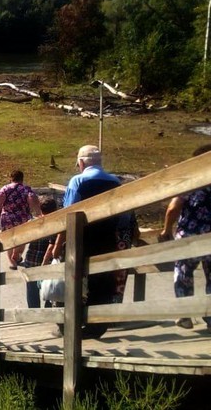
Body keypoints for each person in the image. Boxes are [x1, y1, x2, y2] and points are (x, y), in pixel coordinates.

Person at [43, 145, 136, 339]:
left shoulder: (78, 181)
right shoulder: (114, 181)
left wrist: (59, 243)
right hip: (107, 238)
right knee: (101, 281)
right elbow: (121, 214)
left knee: (71, 279)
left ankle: (66, 325)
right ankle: (96, 327)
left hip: (81, 239)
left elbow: (68, 214)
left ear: (82, 162)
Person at [159, 144, 211, 334]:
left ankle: (185, 315)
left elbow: (173, 208)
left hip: (190, 237)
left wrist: (166, 230)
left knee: (183, 273)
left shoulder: (191, 180)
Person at [0, 170, 42, 270]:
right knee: (22, 238)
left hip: (7, 218)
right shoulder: (25, 189)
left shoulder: (5, 189)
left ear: (11, 178)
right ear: (22, 179)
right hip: (22, 218)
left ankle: (12, 262)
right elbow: (32, 198)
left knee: (9, 240)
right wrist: (38, 213)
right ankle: (16, 255)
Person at [22, 196, 59, 308]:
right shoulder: (57, 223)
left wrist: (16, 253)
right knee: (50, 286)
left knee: (32, 289)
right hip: (49, 262)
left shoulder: (32, 222)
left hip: (31, 259)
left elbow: (22, 239)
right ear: (55, 209)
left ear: (40, 208)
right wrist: (45, 261)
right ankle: (48, 308)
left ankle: (34, 312)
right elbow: (52, 246)